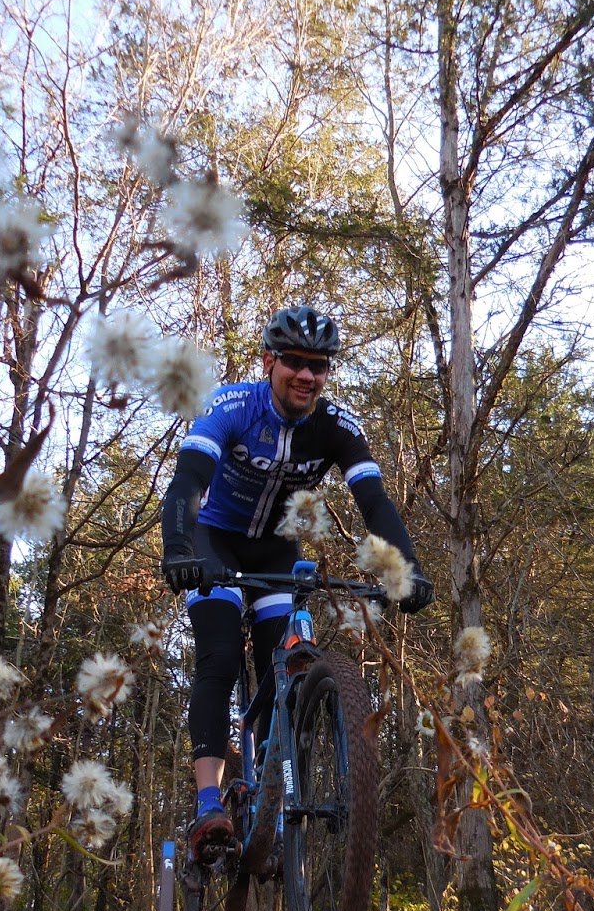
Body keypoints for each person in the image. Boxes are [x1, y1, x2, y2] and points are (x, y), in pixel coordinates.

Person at [161, 305, 433, 857]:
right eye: (294, 362)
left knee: (278, 666)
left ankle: (266, 793)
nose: (307, 374)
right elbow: (188, 479)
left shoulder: (334, 428)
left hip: (274, 549)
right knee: (218, 656)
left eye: (319, 365)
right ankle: (209, 801)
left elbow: (373, 501)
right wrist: (180, 549)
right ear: (270, 362)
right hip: (212, 539)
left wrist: (405, 570)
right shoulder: (233, 406)